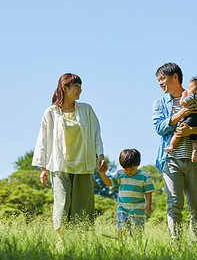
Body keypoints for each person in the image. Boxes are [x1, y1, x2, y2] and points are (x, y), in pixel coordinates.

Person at [32, 73, 105, 245]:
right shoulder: (50, 113)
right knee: (62, 205)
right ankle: (62, 242)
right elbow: (43, 140)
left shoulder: (87, 110)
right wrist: (43, 168)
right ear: (65, 88)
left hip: (84, 165)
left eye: (80, 86)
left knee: (83, 208)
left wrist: (100, 156)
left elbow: (97, 135)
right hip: (60, 166)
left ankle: (81, 244)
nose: (80, 90)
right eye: (76, 87)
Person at [152, 63, 197, 242]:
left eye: (162, 78)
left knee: (196, 205)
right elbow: (159, 127)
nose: (160, 83)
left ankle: (196, 245)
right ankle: (176, 245)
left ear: (175, 77)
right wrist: (182, 113)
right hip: (171, 160)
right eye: (158, 80)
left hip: (195, 159)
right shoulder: (160, 103)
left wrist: (190, 131)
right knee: (174, 203)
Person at [98, 149, 154, 235]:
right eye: (125, 168)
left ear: (138, 164)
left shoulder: (145, 177)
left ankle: (136, 247)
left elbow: (148, 192)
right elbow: (109, 183)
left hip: (138, 210)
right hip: (123, 209)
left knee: (137, 233)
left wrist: (149, 204)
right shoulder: (120, 174)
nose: (128, 171)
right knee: (122, 229)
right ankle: (122, 246)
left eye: (131, 168)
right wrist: (103, 174)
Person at [164, 77, 197, 162]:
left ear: (196, 92)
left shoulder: (192, 96)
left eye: (190, 88)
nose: (188, 89)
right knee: (195, 139)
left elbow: (182, 103)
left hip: (192, 116)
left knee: (179, 130)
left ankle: (172, 145)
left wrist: (183, 96)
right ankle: (194, 150)